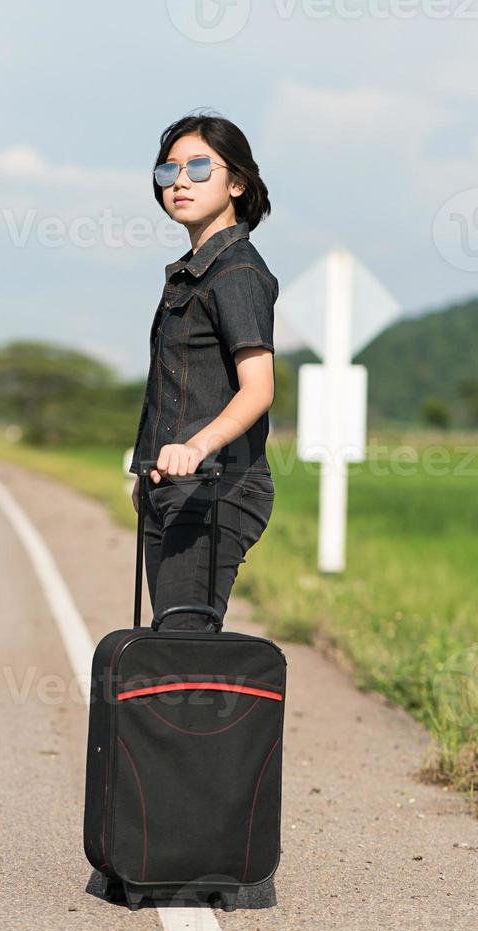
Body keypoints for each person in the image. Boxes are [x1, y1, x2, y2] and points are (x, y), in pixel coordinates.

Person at [128, 111, 278, 632]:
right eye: (168, 172)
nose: (180, 182)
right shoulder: (192, 276)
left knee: (181, 644)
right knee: (173, 645)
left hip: (220, 486)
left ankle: (220, 713)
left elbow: (258, 389)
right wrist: (151, 468)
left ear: (237, 182)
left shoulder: (237, 273)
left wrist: (195, 448)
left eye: (198, 167)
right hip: (175, 486)